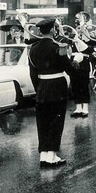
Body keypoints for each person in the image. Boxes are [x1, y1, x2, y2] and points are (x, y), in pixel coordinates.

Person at [28, 18, 73, 168]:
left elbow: (32, 73)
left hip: (42, 87)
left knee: (43, 122)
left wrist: (39, 88)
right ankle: (52, 156)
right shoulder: (58, 47)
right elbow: (68, 68)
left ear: (40, 31)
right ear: (53, 30)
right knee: (56, 121)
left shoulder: (32, 48)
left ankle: (43, 156)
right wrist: (74, 63)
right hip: (57, 87)